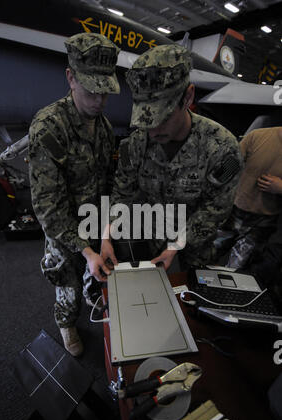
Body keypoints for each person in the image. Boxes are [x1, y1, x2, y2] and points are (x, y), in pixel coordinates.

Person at [101, 44, 242, 271]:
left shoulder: (224, 149)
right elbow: (122, 193)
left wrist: (175, 247)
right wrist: (106, 235)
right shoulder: (133, 144)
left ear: (188, 97)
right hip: (148, 242)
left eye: (162, 118)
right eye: (146, 121)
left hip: (194, 250)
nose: (153, 131)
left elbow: (215, 209)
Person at [28, 33, 120, 356]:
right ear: (71, 78)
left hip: (93, 221)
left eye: (105, 90)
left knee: (94, 273)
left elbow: (109, 184)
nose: (100, 100)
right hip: (64, 228)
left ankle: (89, 283)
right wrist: (84, 249)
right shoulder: (49, 127)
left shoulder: (105, 128)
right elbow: (47, 208)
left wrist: (106, 236)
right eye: (92, 89)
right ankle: (66, 322)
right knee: (67, 283)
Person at [214, 127, 282, 269]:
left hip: (263, 222)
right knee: (206, 256)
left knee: (237, 269)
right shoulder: (258, 136)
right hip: (232, 211)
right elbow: (224, 171)